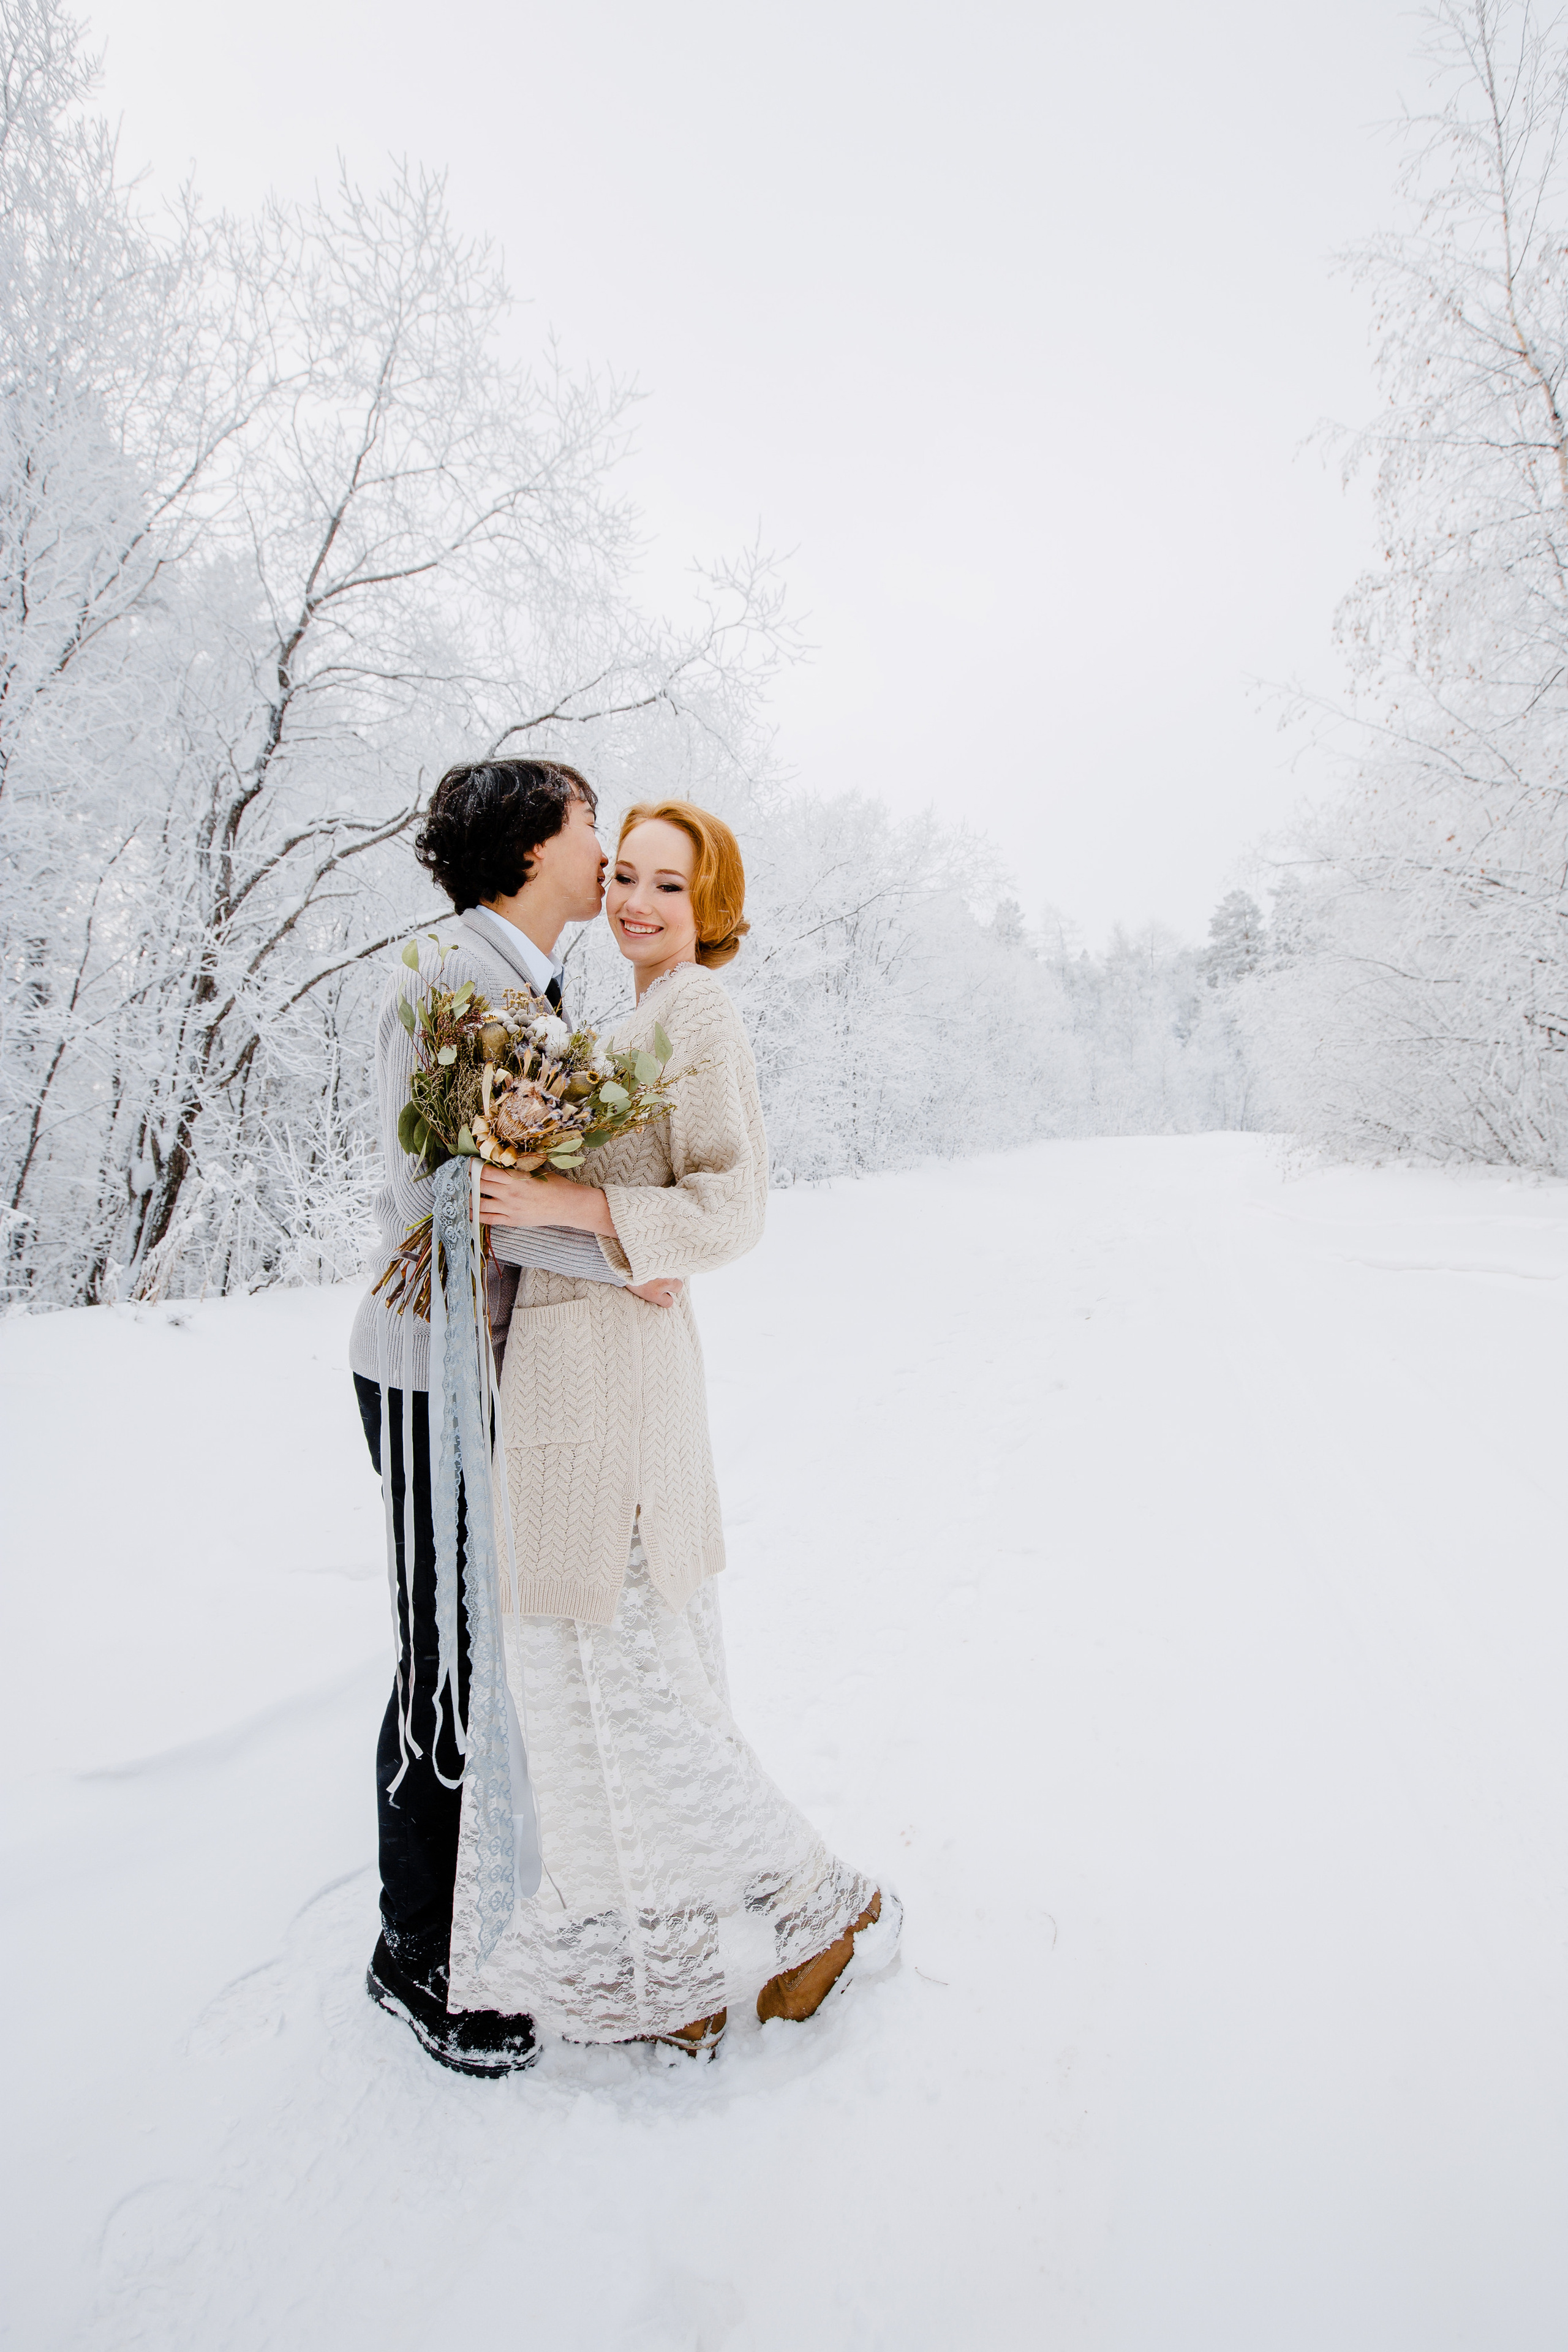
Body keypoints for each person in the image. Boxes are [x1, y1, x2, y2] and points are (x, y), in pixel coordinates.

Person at [443, 797, 892, 2056]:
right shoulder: (616, 1019)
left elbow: (732, 1205)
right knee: (591, 1693)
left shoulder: (692, 1010)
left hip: (617, 1392)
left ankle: (822, 1907)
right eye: (625, 876)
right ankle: (676, 1972)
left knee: (637, 1687)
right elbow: (631, 1216)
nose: (637, 902)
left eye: (667, 888)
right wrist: (582, 1222)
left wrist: (573, 1207)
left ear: (711, 909)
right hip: (560, 1377)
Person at [351, 758, 680, 2077]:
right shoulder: (454, 984)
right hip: (433, 1365)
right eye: (590, 824)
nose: (606, 849)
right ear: (531, 844)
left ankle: (486, 1907)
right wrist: (628, 1248)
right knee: (447, 1656)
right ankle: (412, 1954)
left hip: (490, 1365)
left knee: (496, 1645)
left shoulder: (527, 988)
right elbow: (449, 1196)